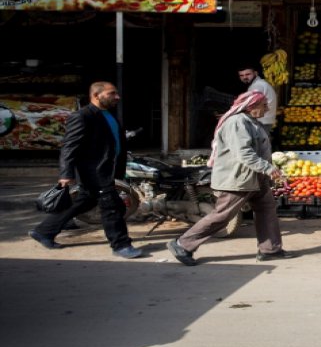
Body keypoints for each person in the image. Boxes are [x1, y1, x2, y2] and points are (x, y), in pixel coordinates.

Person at [166, 90, 296, 266]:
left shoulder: (252, 122)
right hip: (238, 179)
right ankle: (183, 244)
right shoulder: (237, 123)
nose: (267, 108)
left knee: (267, 209)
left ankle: (270, 250)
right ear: (251, 106)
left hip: (256, 178)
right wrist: (267, 168)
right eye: (264, 105)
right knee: (223, 215)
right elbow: (244, 153)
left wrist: (267, 171)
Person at [28, 82, 143, 259]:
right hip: (95, 170)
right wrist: (66, 173)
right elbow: (69, 146)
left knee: (85, 201)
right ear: (96, 95)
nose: (117, 97)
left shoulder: (108, 115)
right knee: (111, 206)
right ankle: (121, 245)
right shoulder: (82, 116)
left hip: (109, 169)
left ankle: (44, 231)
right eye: (112, 93)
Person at [238, 64, 277, 135]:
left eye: (248, 74)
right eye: (241, 75)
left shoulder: (258, 85)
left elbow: (251, 103)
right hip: (264, 120)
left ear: (255, 73)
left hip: (261, 121)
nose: (245, 77)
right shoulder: (260, 83)